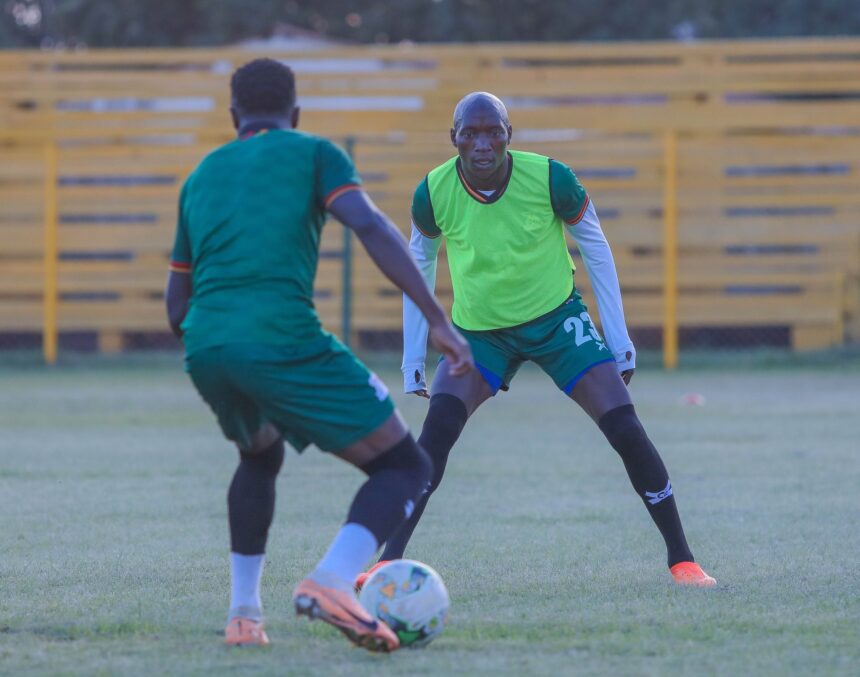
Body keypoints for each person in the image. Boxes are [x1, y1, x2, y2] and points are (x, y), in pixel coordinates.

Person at [165, 58, 473, 652]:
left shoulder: (200, 176)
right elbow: (372, 226)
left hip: (206, 347)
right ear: (295, 114)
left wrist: (225, 352)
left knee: (258, 457)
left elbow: (176, 306)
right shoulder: (313, 152)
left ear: (234, 118)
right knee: (405, 466)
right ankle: (332, 582)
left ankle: (244, 616)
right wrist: (438, 319)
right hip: (280, 336)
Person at [360, 92, 715, 588]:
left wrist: (619, 337)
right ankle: (385, 562)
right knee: (435, 433)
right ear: (454, 138)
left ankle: (683, 560)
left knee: (625, 428)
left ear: (510, 134)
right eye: (471, 133)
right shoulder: (432, 191)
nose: (482, 143)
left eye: (493, 131)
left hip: (557, 323)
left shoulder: (551, 177)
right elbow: (418, 263)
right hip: (479, 334)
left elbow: (595, 245)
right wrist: (412, 356)